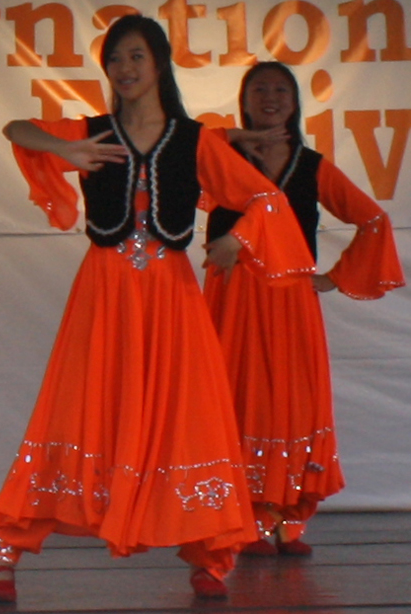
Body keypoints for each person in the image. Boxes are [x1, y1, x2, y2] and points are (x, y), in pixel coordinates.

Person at [0, 20, 315, 602]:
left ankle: (211, 555)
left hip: (170, 296)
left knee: (188, 413)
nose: (125, 69)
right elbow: (16, 127)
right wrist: (65, 149)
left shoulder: (195, 141)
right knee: (75, 409)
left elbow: (264, 198)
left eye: (135, 57)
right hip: (104, 292)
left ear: (159, 63)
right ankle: (8, 549)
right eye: (114, 60)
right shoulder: (94, 130)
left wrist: (239, 240)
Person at [205, 61, 405, 556]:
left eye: (279, 90)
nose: (269, 97)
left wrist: (334, 278)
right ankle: (244, 519)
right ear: (243, 100)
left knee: (290, 402)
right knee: (235, 398)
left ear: (295, 103)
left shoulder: (311, 166)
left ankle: (287, 516)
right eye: (258, 89)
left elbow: (372, 219)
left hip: (290, 301)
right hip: (233, 296)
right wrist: (235, 134)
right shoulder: (220, 153)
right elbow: (184, 142)